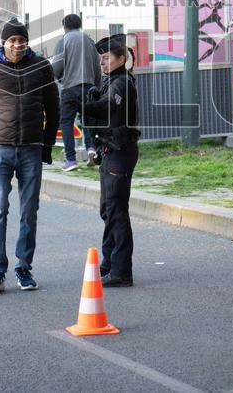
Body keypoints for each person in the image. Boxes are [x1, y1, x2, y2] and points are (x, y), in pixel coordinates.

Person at [0, 18, 59, 294]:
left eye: (22, 40)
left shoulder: (42, 67)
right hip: (0, 148)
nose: (18, 45)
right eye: (13, 41)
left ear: (27, 41)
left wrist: (46, 147)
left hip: (32, 148)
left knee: (29, 210)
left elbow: (54, 109)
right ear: (4, 43)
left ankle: (24, 267)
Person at [82, 34, 140, 288]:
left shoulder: (122, 84)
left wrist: (82, 104)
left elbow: (107, 108)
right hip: (110, 150)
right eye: (101, 59)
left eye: (106, 59)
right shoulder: (111, 81)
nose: (102, 63)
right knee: (108, 209)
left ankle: (121, 270)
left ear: (121, 59)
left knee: (116, 211)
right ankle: (108, 263)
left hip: (120, 151)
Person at [50, 13, 102, 171]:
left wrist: (58, 78)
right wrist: (96, 88)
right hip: (88, 87)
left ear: (64, 26)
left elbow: (57, 67)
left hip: (69, 88)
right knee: (87, 119)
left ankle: (71, 160)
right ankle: (91, 148)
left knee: (66, 122)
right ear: (80, 25)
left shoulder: (63, 41)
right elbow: (97, 67)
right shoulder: (89, 41)